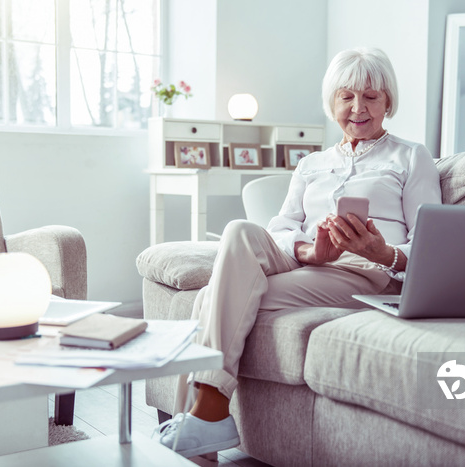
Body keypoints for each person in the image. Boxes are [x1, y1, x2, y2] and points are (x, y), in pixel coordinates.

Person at [152, 47, 442, 458]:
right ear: (332, 103)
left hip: (362, 270)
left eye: (371, 97)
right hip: (305, 258)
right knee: (239, 230)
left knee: (210, 297)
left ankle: (203, 422)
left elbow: (429, 245)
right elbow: (281, 228)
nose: (358, 108)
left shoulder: (411, 156)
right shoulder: (312, 164)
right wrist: (308, 250)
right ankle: (206, 423)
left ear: (388, 102)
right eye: (347, 97)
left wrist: (381, 252)